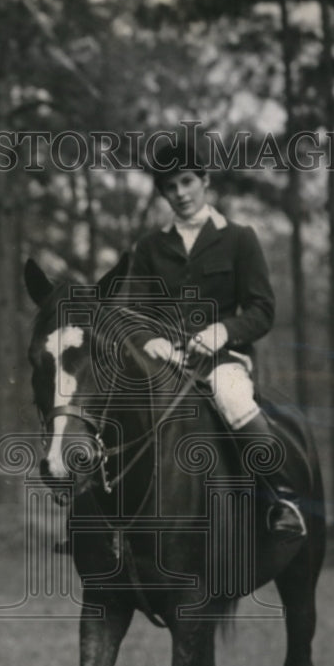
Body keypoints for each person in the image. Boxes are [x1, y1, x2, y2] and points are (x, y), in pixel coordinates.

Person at [130, 135, 306, 539]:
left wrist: (223, 331)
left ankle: (281, 498)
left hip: (222, 360)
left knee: (232, 396)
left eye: (187, 182)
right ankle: (103, 520)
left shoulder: (239, 238)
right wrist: (148, 339)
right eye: (170, 187)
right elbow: (134, 313)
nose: (180, 193)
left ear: (205, 181)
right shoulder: (150, 248)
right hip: (163, 362)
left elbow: (262, 309)